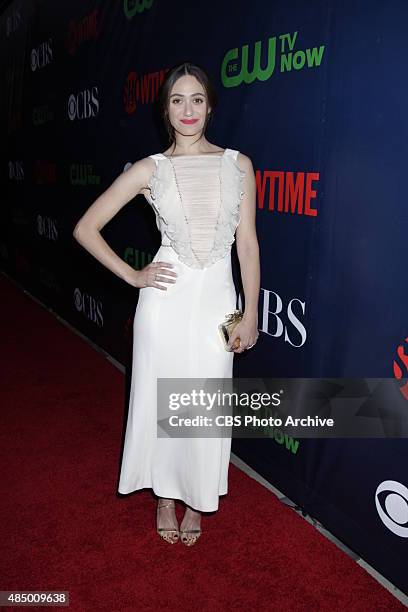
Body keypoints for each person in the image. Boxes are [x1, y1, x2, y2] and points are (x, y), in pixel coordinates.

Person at [73, 61, 260, 546]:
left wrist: (251, 312)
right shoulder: (150, 169)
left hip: (218, 302)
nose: (188, 109)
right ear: (165, 110)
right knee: (162, 402)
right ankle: (163, 494)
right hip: (165, 303)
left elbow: (248, 245)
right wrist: (135, 275)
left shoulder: (238, 165)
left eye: (197, 99)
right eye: (177, 100)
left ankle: (196, 499)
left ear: (211, 105)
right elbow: (85, 229)